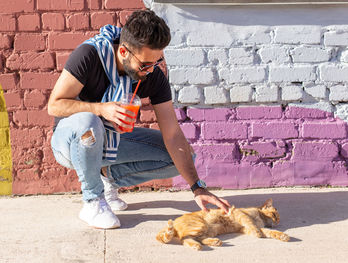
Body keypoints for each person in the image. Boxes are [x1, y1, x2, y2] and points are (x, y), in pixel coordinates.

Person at [48, 9, 230, 229]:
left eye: (157, 61)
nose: (150, 70)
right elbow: (54, 105)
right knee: (89, 121)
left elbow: (172, 135)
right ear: (123, 51)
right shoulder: (89, 55)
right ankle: (93, 201)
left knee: (181, 157)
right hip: (70, 142)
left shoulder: (152, 75)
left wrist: (197, 187)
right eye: (144, 65)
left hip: (110, 139)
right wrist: (100, 109)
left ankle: (105, 177)